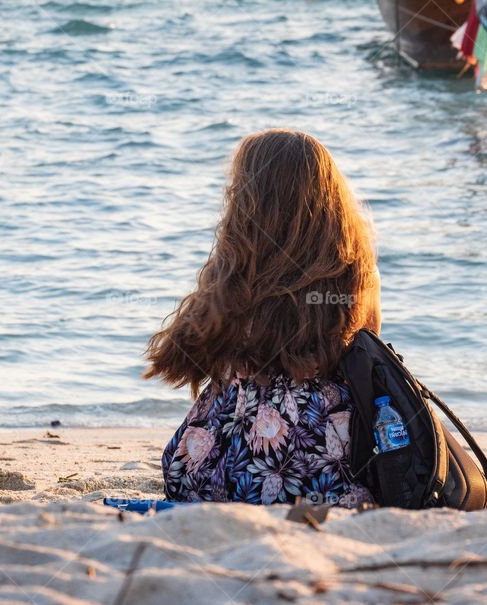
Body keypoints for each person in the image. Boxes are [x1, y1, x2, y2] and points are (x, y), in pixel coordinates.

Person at [144, 129, 381, 507]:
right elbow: (367, 348)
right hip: (323, 466)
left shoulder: (236, 270)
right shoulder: (355, 269)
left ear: (249, 199)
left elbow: (189, 350)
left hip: (226, 468)